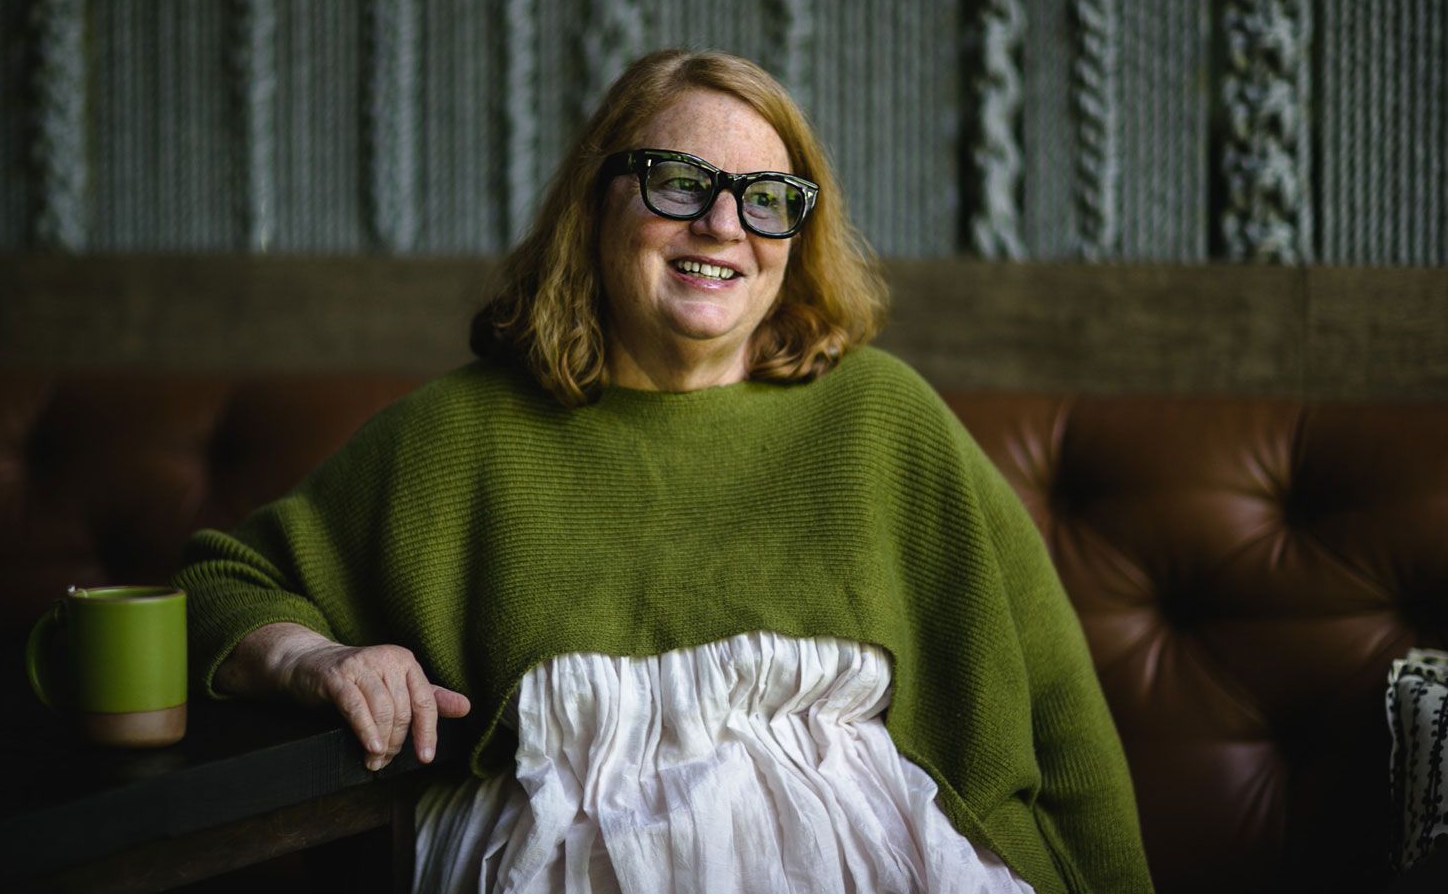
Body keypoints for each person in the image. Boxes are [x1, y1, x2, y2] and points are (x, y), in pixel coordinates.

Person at [175, 49, 1153, 894]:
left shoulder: (883, 419)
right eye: (678, 182)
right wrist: (318, 659)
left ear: (794, 238)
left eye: (767, 200)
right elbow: (211, 586)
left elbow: (1058, 711)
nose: (724, 226)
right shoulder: (460, 435)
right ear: (596, 204)